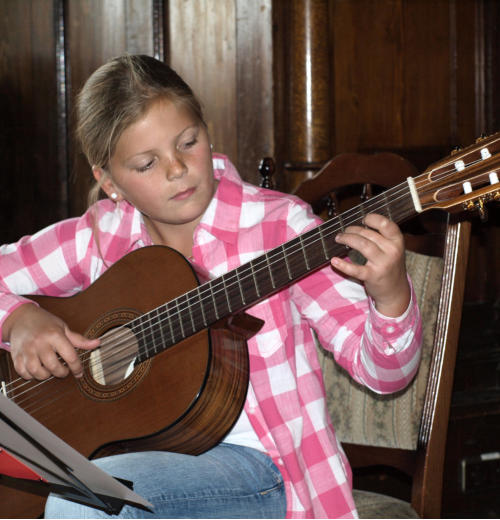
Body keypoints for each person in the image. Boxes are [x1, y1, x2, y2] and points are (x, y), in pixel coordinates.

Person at [0, 54, 421, 519]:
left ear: (207, 130)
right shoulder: (99, 237)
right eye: (146, 163)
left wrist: (390, 296)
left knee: (87, 503)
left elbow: (386, 376)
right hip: (143, 464)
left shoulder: (280, 229)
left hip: (266, 477)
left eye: (188, 142)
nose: (177, 169)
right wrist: (20, 319)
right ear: (110, 181)